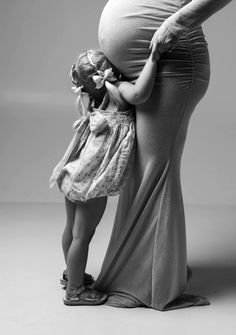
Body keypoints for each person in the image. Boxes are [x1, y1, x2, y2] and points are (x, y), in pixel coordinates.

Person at [94, 0, 232, 310]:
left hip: (171, 60)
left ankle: (155, 286)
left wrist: (174, 24)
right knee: (141, 167)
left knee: (156, 170)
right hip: (144, 64)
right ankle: (152, 269)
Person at [49, 48, 159, 305]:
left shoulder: (96, 99)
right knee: (82, 235)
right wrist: (153, 59)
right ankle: (75, 291)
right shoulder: (118, 91)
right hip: (91, 182)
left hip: (74, 173)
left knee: (72, 230)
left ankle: (71, 274)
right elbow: (141, 93)